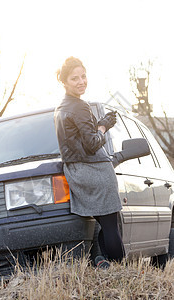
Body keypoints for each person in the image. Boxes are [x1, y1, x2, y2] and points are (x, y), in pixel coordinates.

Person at [54, 56, 125, 267]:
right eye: (74, 78)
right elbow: (93, 143)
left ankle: (106, 264)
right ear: (64, 82)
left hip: (76, 171)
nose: (81, 81)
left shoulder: (60, 108)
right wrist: (103, 125)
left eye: (83, 76)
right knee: (111, 224)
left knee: (104, 223)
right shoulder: (80, 106)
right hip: (95, 169)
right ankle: (118, 268)